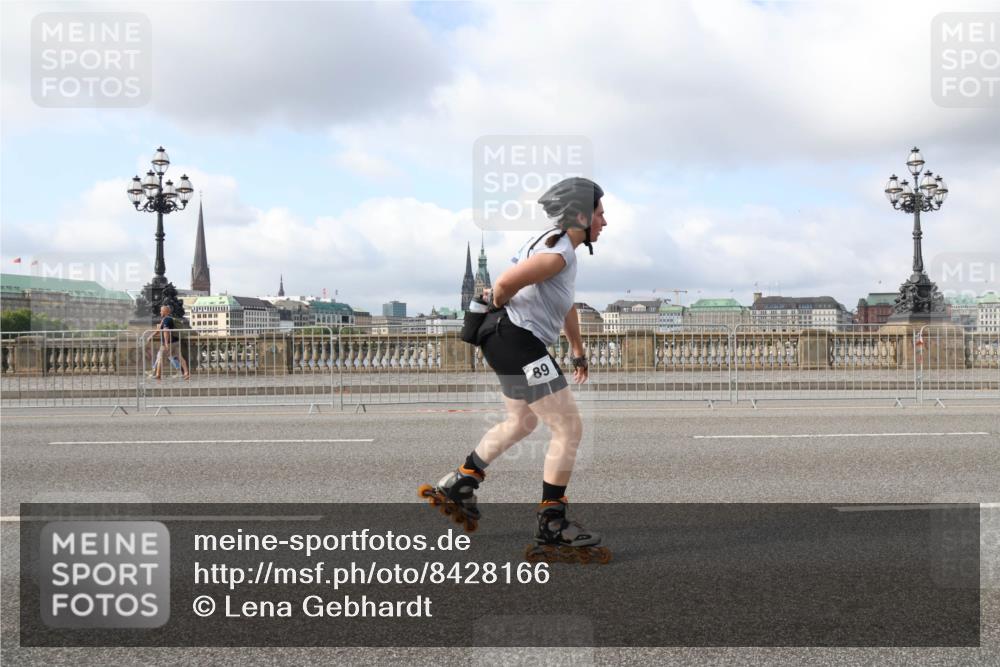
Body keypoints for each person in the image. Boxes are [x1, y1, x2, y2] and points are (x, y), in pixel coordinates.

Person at [418, 177, 610, 564]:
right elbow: (505, 283)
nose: (604, 222)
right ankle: (552, 521)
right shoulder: (559, 253)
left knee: (521, 421)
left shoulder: (554, 246)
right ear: (580, 216)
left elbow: (566, 306)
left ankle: (461, 480)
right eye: (600, 214)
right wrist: (499, 303)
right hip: (518, 341)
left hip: (505, 340)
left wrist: (577, 351)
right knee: (568, 428)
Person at [156, 304, 190, 381]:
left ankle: (158, 375)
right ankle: (186, 373)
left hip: (169, 343)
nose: (160, 312)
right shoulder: (170, 319)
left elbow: (166, 331)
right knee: (180, 358)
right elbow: (159, 330)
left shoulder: (166, 320)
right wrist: (151, 335)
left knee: (160, 357)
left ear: (165, 312)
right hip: (176, 342)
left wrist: (166, 343)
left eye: (161, 311)